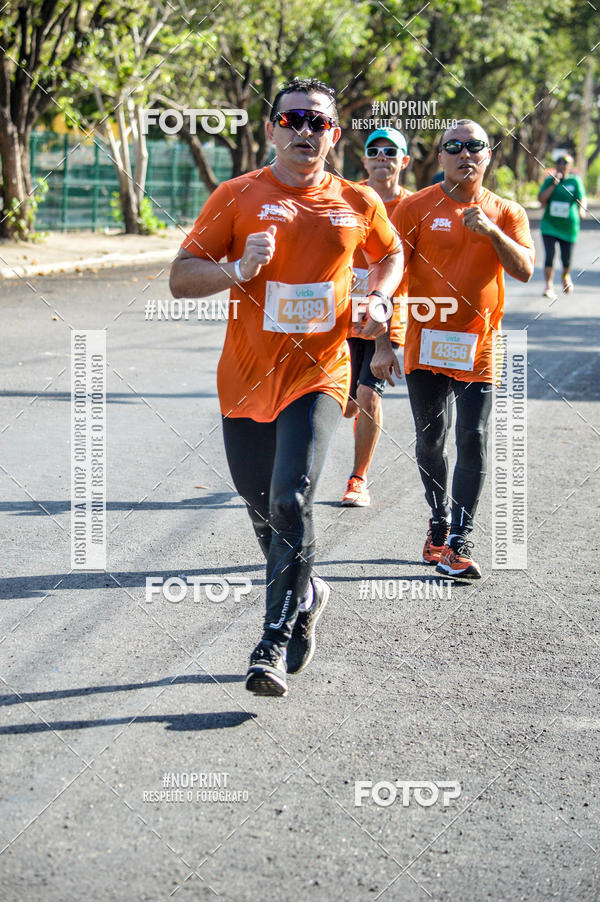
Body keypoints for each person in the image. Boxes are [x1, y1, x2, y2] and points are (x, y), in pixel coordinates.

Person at [170, 78, 403, 696]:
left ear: (334, 135)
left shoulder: (356, 201)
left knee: (292, 500)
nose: (306, 130)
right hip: (245, 380)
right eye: (293, 119)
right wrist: (237, 268)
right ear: (272, 128)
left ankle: (270, 643)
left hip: (320, 371)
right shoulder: (236, 196)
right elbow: (179, 278)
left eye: (319, 122)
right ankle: (308, 589)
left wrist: (378, 299)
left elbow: (391, 254)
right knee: (264, 511)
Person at [389, 119, 535, 578]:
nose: (465, 154)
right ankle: (438, 521)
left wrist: (491, 231)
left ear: (489, 155)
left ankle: (459, 539)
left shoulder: (506, 212)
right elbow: (389, 274)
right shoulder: (414, 207)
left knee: (472, 436)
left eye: (475, 146)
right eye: (454, 146)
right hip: (426, 342)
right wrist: (382, 341)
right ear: (440, 157)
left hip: (480, 345)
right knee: (431, 440)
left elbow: (526, 270)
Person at [342, 128, 411, 507]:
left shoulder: (416, 207)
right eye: (374, 150)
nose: (382, 156)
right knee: (347, 402)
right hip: (342, 315)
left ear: (404, 161)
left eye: (391, 151)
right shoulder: (346, 197)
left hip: (391, 316)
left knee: (368, 394)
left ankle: (358, 479)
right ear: (364, 159)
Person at [538, 152, 586, 298]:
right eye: (559, 164)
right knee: (549, 255)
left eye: (565, 164)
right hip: (549, 225)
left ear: (570, 167)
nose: (562, 166)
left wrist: (581, 210)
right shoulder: (549, 181)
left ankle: (566, 276)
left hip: (568, 227)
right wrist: (554, 184)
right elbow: (542, 200)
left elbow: (581, 198)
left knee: (566, 259)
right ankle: (549, 286)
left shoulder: (575, 181)